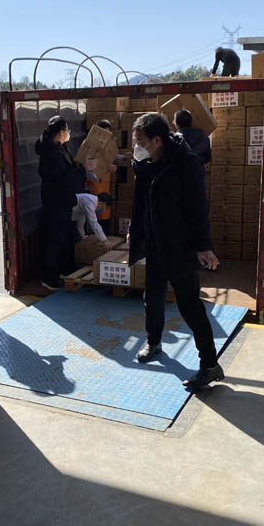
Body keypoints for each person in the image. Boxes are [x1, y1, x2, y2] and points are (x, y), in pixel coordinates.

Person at [128, 113, 224, 389]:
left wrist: (203, 246)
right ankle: (153, 341)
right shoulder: (147, 162)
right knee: (152, 297)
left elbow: (198, 208)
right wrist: (136, 228)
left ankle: (210, 365)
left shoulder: (186, 163)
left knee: (189, 306)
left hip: (179, 247)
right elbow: (141, 201)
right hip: (154, 244)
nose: (136, 146)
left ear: (157, 140)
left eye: (140, 141)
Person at [35, 116, 84, 290]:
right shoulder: (50, 153)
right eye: (67, 130)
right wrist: (81, 169)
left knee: (65, 236)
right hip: (55, 202)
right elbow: (62, 176)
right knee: (55, 239)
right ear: (61, 132)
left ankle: (65, 268)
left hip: (63, 201)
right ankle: (49, 276)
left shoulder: (59, 147)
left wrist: (79, 165)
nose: (68, 133)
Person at [85, 118, 132, 234]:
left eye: (108, 133)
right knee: (94, 220)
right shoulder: (90, 147)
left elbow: (114, 158)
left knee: (104, 218)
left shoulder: (107, 146)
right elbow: (87, 169)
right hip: (93, 189)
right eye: (104, 133)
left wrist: (125, 158)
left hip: (104, 190)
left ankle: (104, 241)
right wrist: (106, 167)